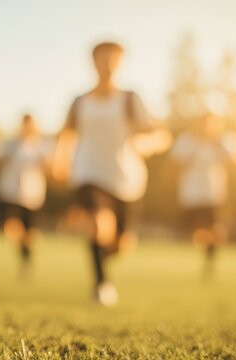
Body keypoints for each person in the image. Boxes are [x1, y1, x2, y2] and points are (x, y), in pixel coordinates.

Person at [53, 42, 171, 306]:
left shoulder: (130, 99)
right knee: (98, 224)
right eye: (101, 59)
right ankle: (101, 285)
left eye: (113, 60)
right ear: (93, 62)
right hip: (88, 172)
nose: (107, 65)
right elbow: (67, 133)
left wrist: (147, 144)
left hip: (126, 178)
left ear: (120, 63)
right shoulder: (80, 101)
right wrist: (59, 160)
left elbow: (161, 135)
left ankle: (101, 255)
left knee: (121, 244)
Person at [168, 113, 236, 279]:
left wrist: (224, 150)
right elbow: (172, 166)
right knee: (197, 232)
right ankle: (206, 250)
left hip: (215, 194)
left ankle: (210, 263)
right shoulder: (187, 140)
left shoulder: (225, 139)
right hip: (191, 195)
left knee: (218, 231)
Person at [0, 114, 50, 274]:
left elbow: (49, 167)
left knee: (30, 234)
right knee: (11, 225)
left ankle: (26, 258)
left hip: (32, 196)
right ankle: (21, 246)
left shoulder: (41, 146)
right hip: (10, 193)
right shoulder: (10, 143)